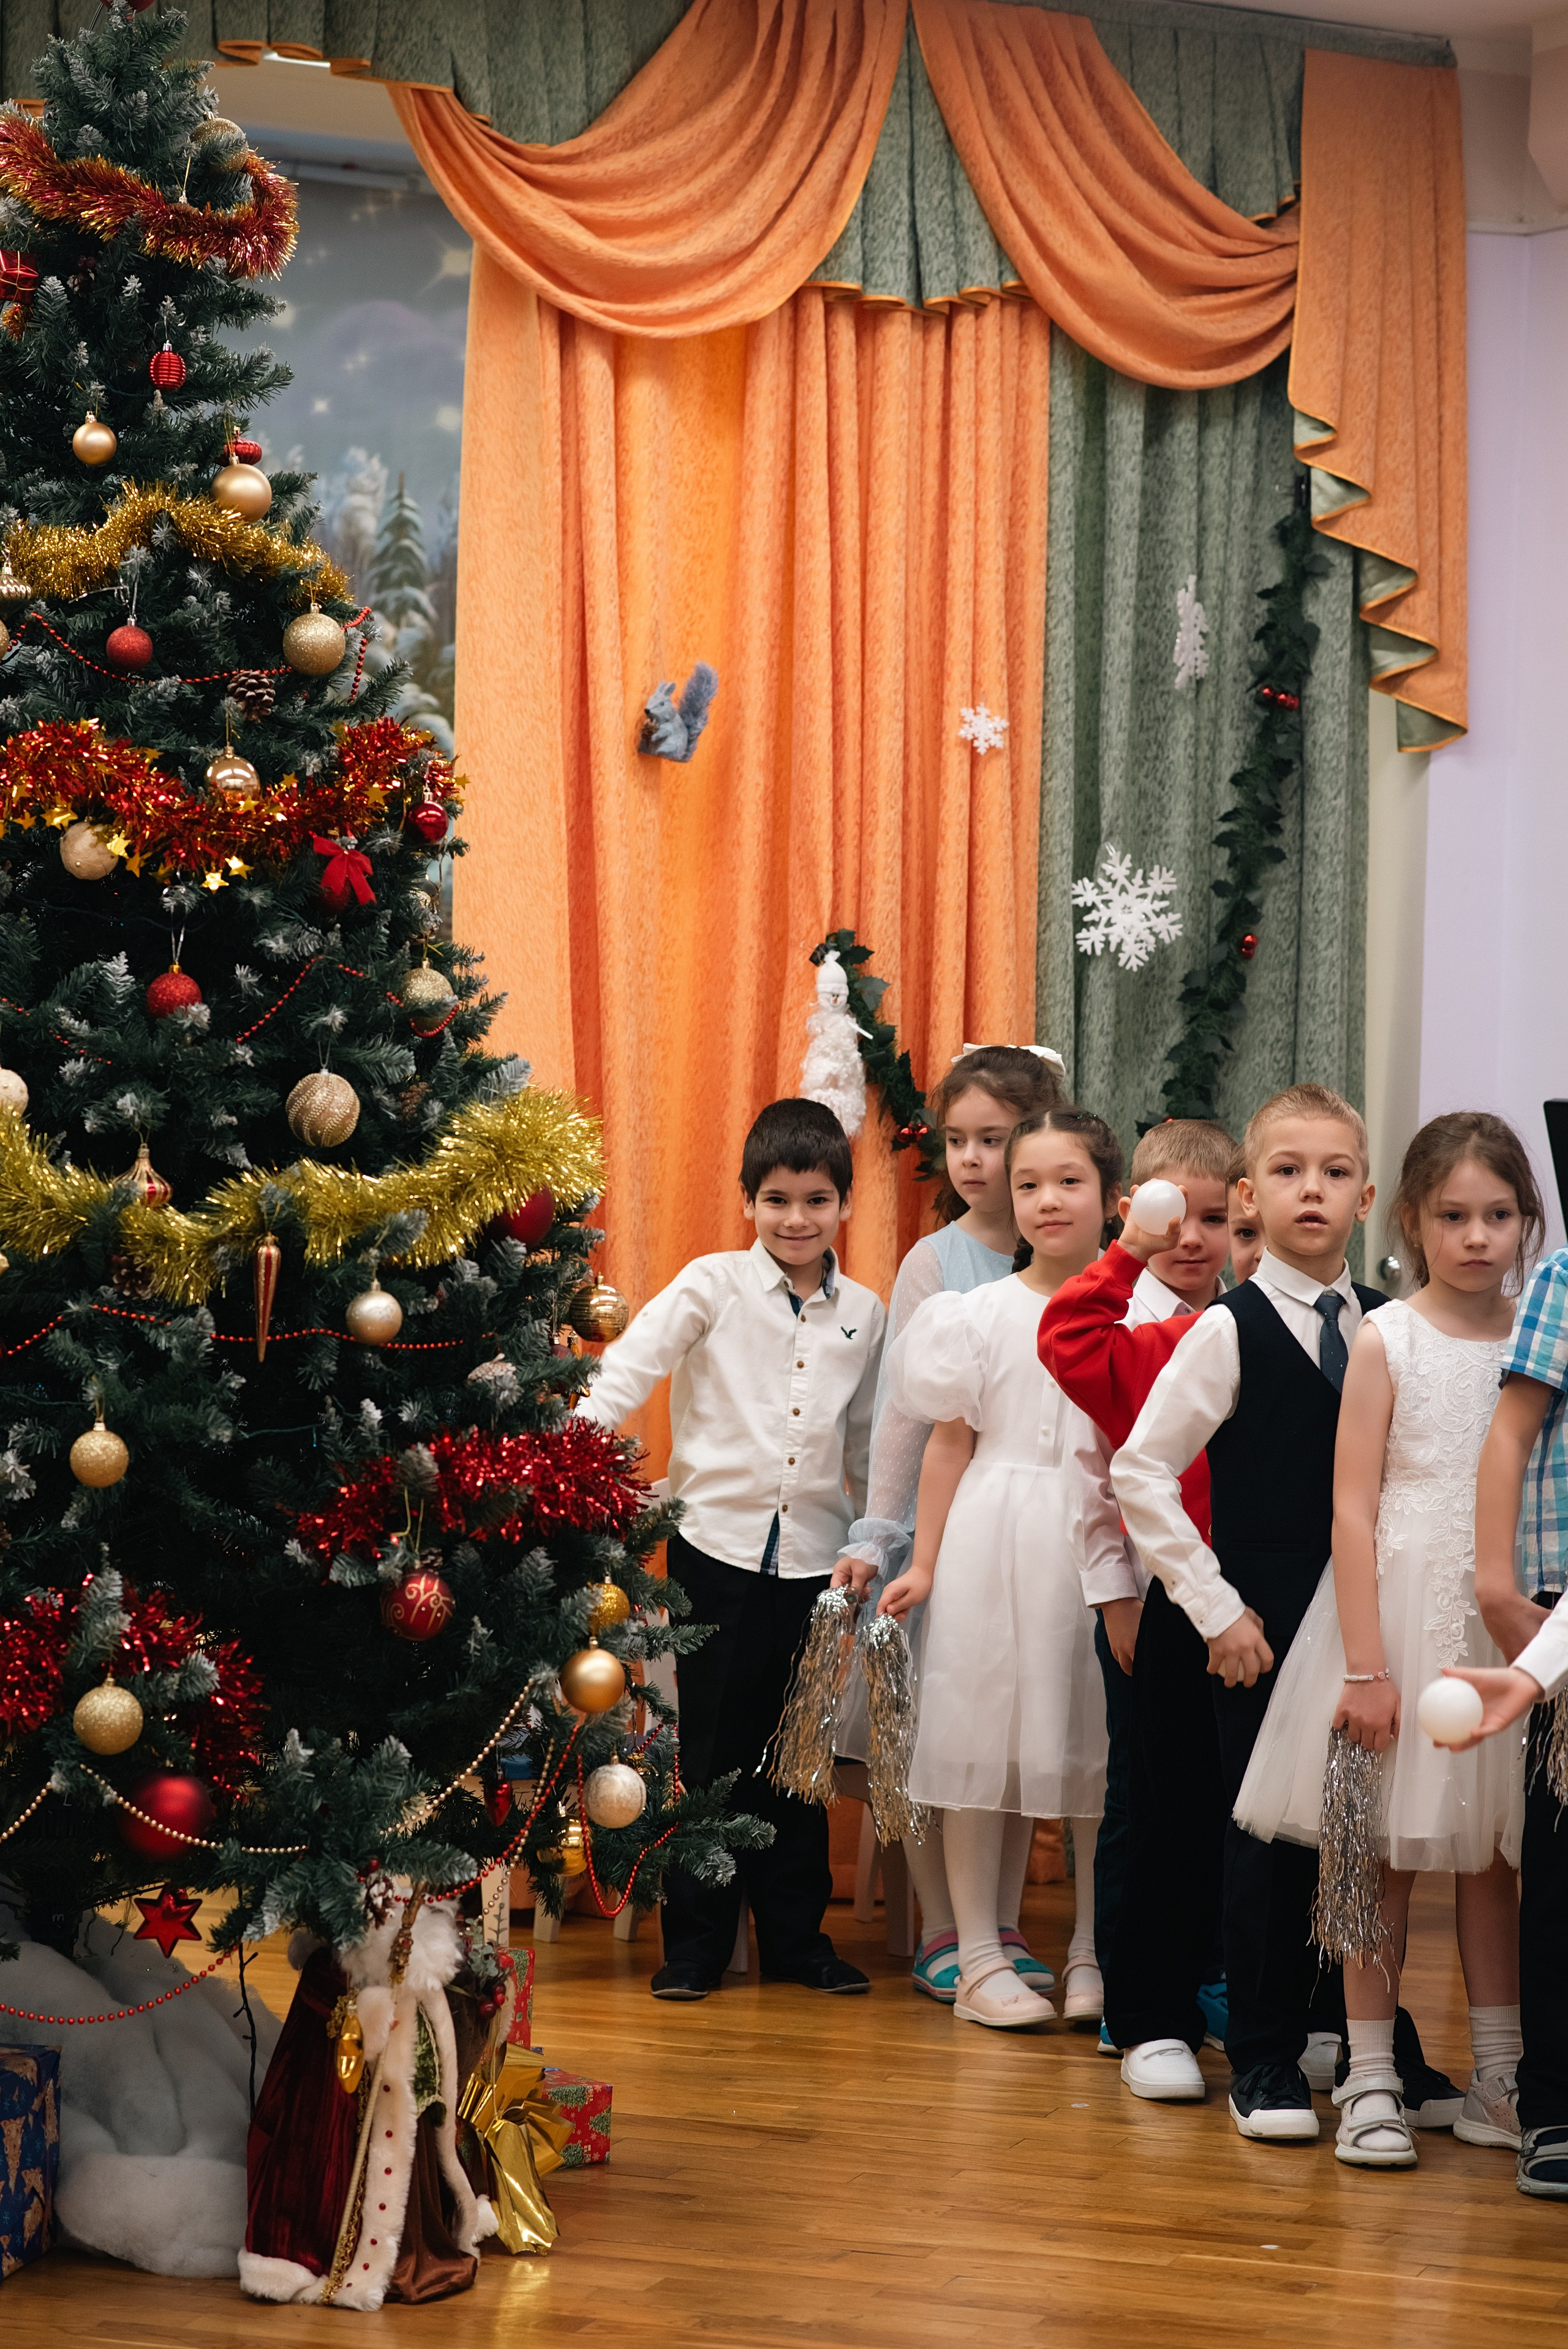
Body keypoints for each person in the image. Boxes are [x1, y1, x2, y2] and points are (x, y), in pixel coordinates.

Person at [1236, 1114, 1540, 2168]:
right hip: (1393, 1618)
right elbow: (1352, 1509)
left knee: (1493, 1858)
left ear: (1527, 1222)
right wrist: (1365, 1665)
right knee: (1377, 1854)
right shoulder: (1388, 1337)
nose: (1476, 1237)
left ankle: (1500, 2078)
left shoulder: (1535, 1337)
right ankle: (1370, 2074)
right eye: (1454, 1216)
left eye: (1498, 1215)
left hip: (1497, 1624)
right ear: (1410, 1220)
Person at [1112, 1084, 1386, 2141]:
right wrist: (1217, 1609)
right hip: (1251, 1619)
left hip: (1357, 1610)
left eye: (1334, 1172)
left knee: (1346, 1826)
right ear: (1246, 1198)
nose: (1311, 1191)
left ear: (1366, 1196)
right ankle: (1240, 2050)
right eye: (1287, 1171)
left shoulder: (1385, 1326)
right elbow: (1141, 1471)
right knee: (1244, 1832)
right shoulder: (1227, 1329)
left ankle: (1340, 2030)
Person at [579, 1098, 885, 2001]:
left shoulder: (865, 1314)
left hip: (819, 1561)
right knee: (711, 1749)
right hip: (713, 1549)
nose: (797, 1219)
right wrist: (571, 1451)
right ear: (748, 1200)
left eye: (817, 1200)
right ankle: (697, 1946)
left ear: (845, 1205)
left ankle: (798, 1941)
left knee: (798, 1756)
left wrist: (875, 1540)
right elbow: (629, 1368)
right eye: (778, 1199)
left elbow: (868, 1444)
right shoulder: (710, 1285)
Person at [878, 1107, 1129, 2029]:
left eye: (1069, 1182)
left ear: (1112, 1195)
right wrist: (926, 1563)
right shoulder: (974, 1315)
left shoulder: (1143, 1312)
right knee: (980, 1738)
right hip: (992, 1535)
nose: (1047, 1200)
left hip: (1104, 1543)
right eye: (1029, 1185)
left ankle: (1096, 1950)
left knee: (1102, 1744)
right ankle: (979, 1957)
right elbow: (949, 1446)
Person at [832, 1044, 1065, 2005]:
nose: (972, 1159)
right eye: (959, 1140)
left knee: (1009, 1734)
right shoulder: (937, 1261)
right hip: (946, 1534)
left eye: (994, 1140)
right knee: (935, 1736)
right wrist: (879, 1536)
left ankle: (999, 1925)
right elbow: (905, 1417)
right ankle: (941, 1925)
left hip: (1035, 1535)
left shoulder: (1072, 1256)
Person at [1038, 1119, 1236, 2092]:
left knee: (1217, 1795)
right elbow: (1093, 1478)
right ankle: (1133, 1991)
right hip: (1150, 1598)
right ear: (1137, 1216)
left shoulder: (1237, 1321)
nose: (1192, 1239)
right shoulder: (1127, 1324)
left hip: (1231, 1599)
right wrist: (1117, 1597)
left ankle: (1211, 1975)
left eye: (1214, 1219)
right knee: (1140, 1801)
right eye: (1173, 1218)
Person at [1442, 1216, 1568, 2198]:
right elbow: (1514, 1428)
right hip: (1557, 1602)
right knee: (1558, 1867)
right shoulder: (1565, 1278)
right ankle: (1553, 2102)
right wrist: (1498, 1584)